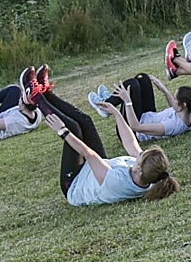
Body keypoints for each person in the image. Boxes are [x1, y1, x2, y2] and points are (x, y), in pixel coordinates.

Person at [30, 70, 179, 206]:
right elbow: (130, 142)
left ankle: (36, 96)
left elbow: (89, 154)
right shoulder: (151, 176)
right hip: (99, 168)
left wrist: (62, 131)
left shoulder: (117, 182)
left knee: (73, 128)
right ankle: (47, 92)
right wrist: (117, 113)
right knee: (86, 121)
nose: (139, 153)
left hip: (75, 184)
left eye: (140, 156)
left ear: (138, 169)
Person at [88, 72, 191, 141]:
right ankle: (110, 100)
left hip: (132, 131)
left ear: (183, 105)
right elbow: (176, 108)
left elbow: (136, 127)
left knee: (132, 85)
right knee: (142, 78)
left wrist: (127, 101)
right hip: (148, 116)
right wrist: (163, 88)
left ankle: (104, 106)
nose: (173, 100)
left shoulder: (172, 126)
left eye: (175, 99)